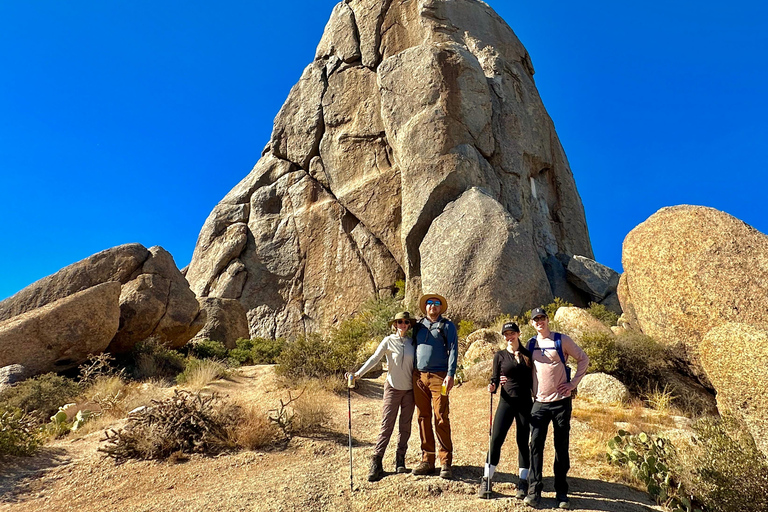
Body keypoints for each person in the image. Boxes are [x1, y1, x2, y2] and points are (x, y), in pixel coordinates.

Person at [524, 307, 589, 510]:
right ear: (532, 324)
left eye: (542, 318)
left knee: (561, 447)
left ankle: (562, 493)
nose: (540, 322)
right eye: (536, 319)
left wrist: (573, 385)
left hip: (561, 402)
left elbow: (583, 359)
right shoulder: (531, 344)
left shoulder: (562, 340)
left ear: (547, 320)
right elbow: (524, 369)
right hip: (539, 404)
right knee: (535, 446)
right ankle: (534, 491)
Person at [349, 311, 417, 481]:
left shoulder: (412, 343)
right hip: (392, 388)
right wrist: (358, 374)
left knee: (405, 425)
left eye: (405, 322)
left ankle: (400, 460)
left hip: (410, 390)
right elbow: (374, 359)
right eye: (399, 322)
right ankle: (376, 462)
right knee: (387, 425)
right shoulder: (388, 341)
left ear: (409, 325)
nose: (402, 324)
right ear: (395, 324)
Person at [478, 322, 533, 500]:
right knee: (496, 439)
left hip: (525, 403)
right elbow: (494, 379)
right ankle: (487, 479)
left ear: (518, 333)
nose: (509, 337)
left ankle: (523, 482)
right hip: (506, 401)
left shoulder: (528, 354)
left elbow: (534, 379)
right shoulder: (500, 356)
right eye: (506, 334)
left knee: (523, 441)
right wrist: (492, 386)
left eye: (512, 333)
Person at [411, 293, 458, 479]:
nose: (432, 306)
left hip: (440, 377)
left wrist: (451, 374)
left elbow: (453, 349)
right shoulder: (418, 326)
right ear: (425, 307)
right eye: (429, 303)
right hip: (419, 377)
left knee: (441, 416)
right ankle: (427, 460)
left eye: (436, 303)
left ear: (440, 307)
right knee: (423, 417)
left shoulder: (447, 326)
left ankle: (445, 461)